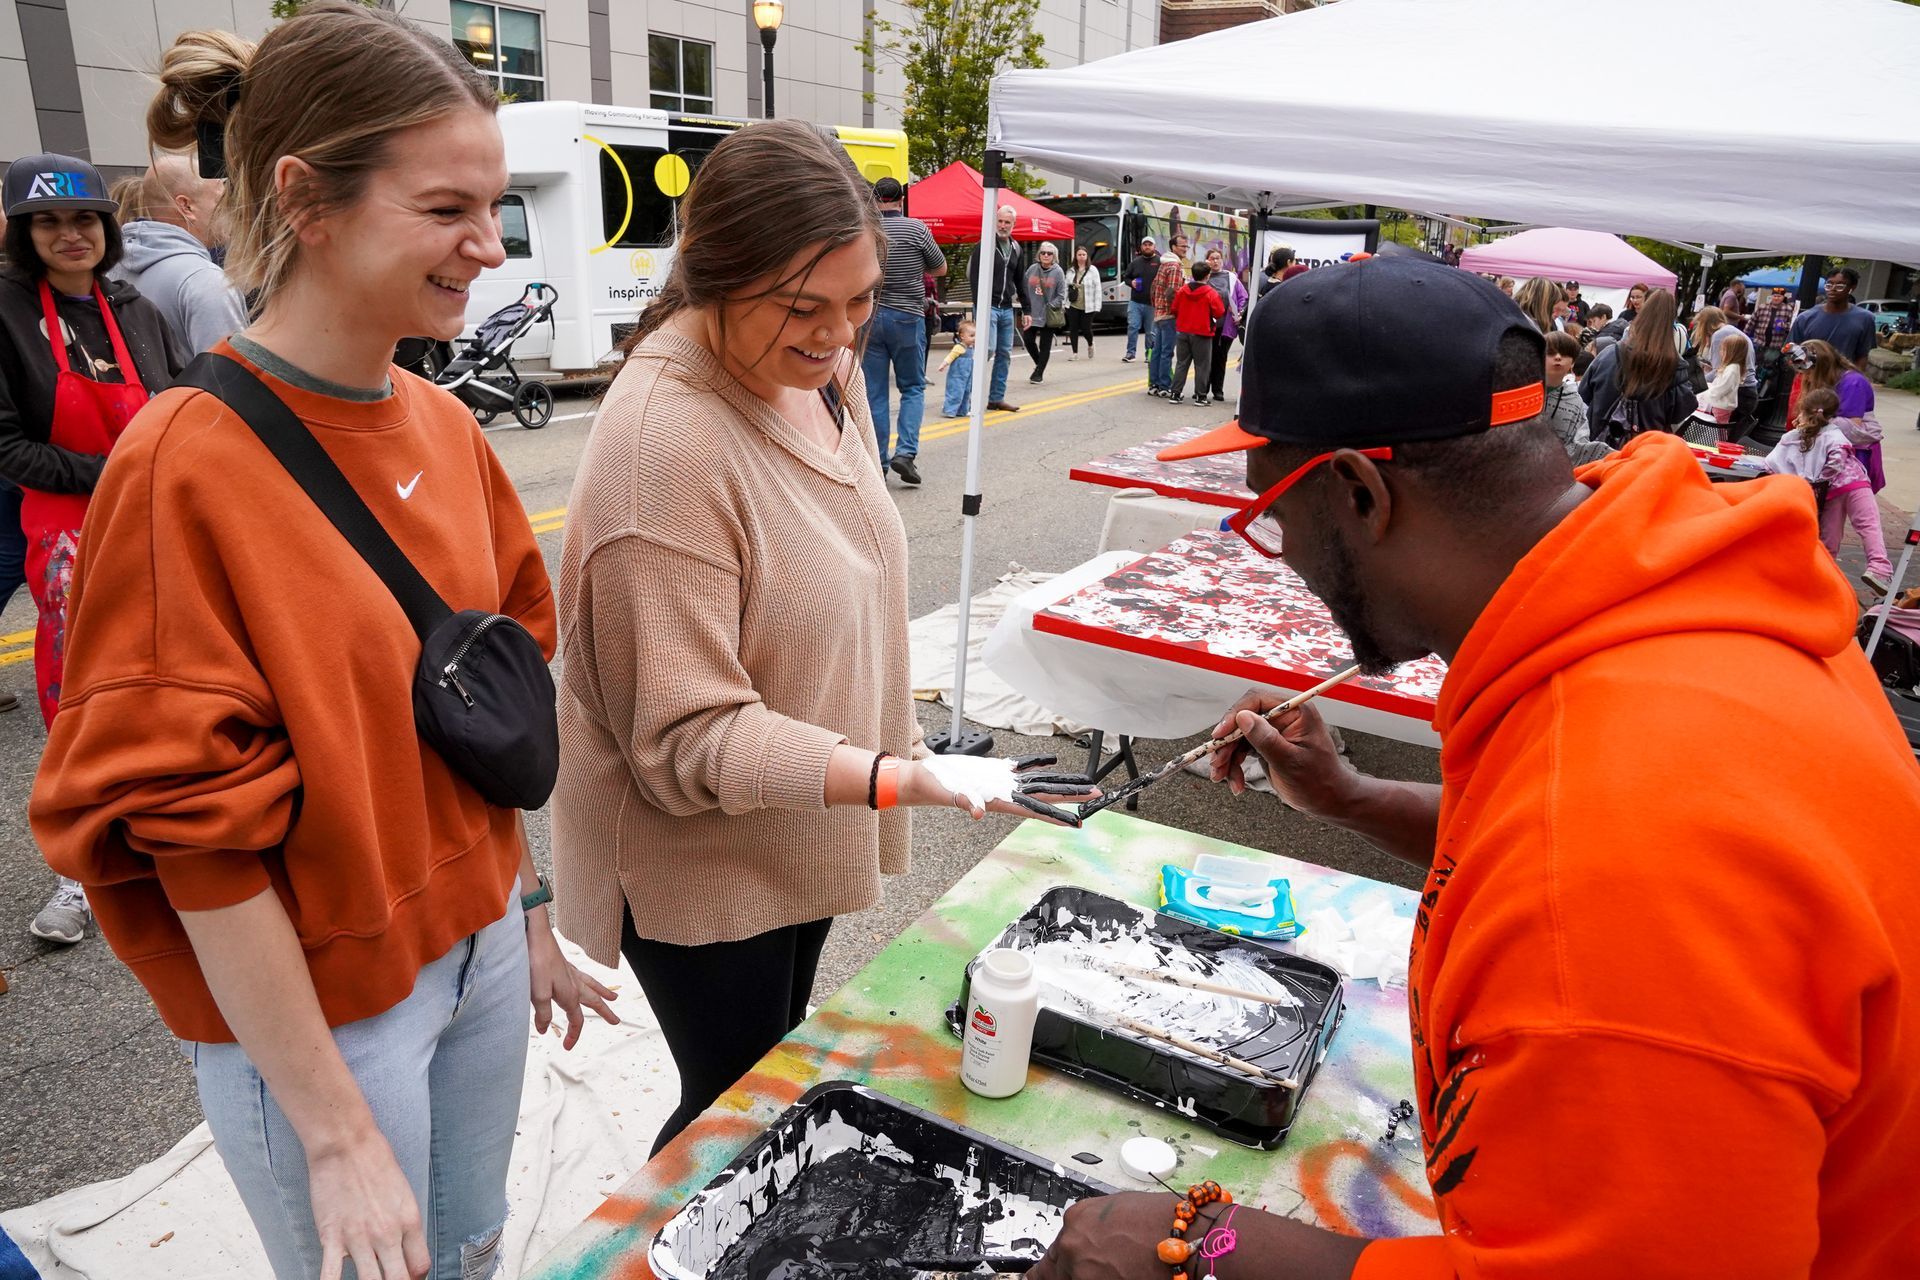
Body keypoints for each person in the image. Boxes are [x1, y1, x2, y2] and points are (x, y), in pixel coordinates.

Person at [1035, 254, 1920, 1280]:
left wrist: (1199, 1249)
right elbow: (1539, 833)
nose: (1281, 551)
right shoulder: (1659, 610)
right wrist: (1357, 796)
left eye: (1271, 518)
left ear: (1359, 492)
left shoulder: (1614, 867)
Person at [30, 9, 624, 1277]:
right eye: (448, 208)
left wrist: (517, 910)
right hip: (325, 1019)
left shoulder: (443, 424)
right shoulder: (183, 465)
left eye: (497, 204)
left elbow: (483, 701)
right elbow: (191, 828)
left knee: (467, 1251)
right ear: (305, 197)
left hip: (477, 968)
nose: (487, 247)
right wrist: (335, 1129)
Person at [550, 120, 1092, 1161]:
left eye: (861, 303)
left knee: (772, 1066)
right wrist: (903, 777)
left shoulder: (813, 368)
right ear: (712, 275)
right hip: (702, 846)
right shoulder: (663, 447)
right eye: (806, 308)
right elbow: (688, 737)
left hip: (806, 804)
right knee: (735, 1102)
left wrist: (892, 762)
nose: (841, 338)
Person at [3, 153, 187, 944]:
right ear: (24, 231)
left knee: (173, 678)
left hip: (154, 519)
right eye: (49, 221)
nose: (70, 234)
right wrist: (114, 470)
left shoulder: (134, 306)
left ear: (107, 229)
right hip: (67, 533)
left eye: (84, 219)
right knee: (80, 694)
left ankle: (174, 839)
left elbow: (181, 400)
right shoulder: (4, 311)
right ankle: (80, 873)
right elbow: (8, 445)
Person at [110, 152, 247, 354]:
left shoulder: (113, 269)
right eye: (221, 198)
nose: (230, 208)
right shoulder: (205, 280)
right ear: (186, 206)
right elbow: (230, 378)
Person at [1761, 387, 1892, 594]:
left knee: (1829, 540)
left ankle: (1820, 579)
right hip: (1855, 484)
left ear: (1803, 410)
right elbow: (1836, 461)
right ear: (1832, 414)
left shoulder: (1794, 437)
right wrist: (1824, 480)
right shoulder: (1835, 433)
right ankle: (1879, 568)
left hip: (1830, 495)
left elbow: (1772, 464)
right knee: (1868, 525)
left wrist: (1817, 486)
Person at [861, 175, 945, 487]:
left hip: (871, 316)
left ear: (874, 199)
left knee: (876, 393)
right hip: (908, 317)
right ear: (901, 198)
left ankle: (879, 461)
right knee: (912, 387)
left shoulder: (867, 230)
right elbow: (940, 268)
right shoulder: (916, 229)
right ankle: (905, 453)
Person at [1793, 339, 1892, 594]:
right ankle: (1821, 581)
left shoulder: (1852, 383)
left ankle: (1878, 569)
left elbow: (1854, 427)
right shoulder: (1828, 392)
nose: (1806, 377)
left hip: (1852, 466)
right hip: (1842, 475)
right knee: (1833, 531)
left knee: (1862, 522)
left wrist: (1811, 427)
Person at [1579, 286, 1698, 444]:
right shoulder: (1674, 366)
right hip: (1647, 452)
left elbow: (1583, 394)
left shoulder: (1610, 354)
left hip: (1601, 446)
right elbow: (1682, 411)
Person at [968, 204, 1024, 412]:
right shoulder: (984, 245)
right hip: (987, 306)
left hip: (1007, 308)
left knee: (1005, 354)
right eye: (999, 221)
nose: (1002, 225)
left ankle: (996, 398)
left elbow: (1020, 279)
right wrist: (978, 307)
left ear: (1013, 225)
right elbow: (974, 278)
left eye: (1007, 222)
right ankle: (969, 396)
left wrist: (1026, 308)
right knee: (987, 349)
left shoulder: (1016, 248)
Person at [1788, 265, 1878, 370]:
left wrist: (1854, 379)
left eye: (1840, 286)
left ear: (1852, 288)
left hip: (1845, 380)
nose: (1833, 289)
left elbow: (1862, 355)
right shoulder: (1805, 318)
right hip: (1811, 380)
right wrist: (1810, 374)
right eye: (1829, 285)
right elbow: (1792, 350)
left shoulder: (1865, 319)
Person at [1544, 329, 1608, 464]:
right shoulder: (1525, 392)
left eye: (1565, 354)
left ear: (1572, 363)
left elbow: (1580, 439)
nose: (1558, 357)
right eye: (1550, 353)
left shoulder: (1574, 400)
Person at [1167, 259, 1224, 406]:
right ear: (1207, 275)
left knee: (1181, 363)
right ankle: (1201, 396)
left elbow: (1174, 309)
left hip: (1183, 330)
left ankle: (1175, 393)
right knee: (1202, 365)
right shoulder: (1210, 293)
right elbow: (1219, 312)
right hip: (1202, 332)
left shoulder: (1182, 291)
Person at [1147, 232, 1190, 397]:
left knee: (1157, 351)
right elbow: (1173, 292)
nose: (1185, 249)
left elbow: (1153, 287)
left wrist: (1156, 306)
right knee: (1166, 352)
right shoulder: (1174, 266)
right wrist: (1176, 311)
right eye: (1182, 246)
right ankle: (1165, 386)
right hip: (1169, 315)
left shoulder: (1163, 263)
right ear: (1173, 247)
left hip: (1159, 313)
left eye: (1186, 246)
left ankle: (1154, 384)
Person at [1203, 247, 1247, 403]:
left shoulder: (1231, 277)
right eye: (1212, 258)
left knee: (1220, 358)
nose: (1215, 261)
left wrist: (1239, 312)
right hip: (1207, 325)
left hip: (1225, 326)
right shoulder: (1203, 277)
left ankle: (1218, 390)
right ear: (1206, 260)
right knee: (1206, 358)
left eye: (1218, 258)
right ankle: (1202, 390)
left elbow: (1243, 297)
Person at [1020, 241, 1066, 384]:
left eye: (1049, 253)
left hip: (1048, 314)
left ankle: (1038, 373)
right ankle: (1040, 364)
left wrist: (1050, 305)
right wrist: (1024, 303)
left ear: (1054, 256)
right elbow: (1023, 287)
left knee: (1045, 345)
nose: (1045, 255)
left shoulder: (1058, 272)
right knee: (1027, 340)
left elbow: (1061, 295)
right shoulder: (1032, 269)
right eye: (1043, 253)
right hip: (1031, 313)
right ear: (1039, 255)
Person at [1697, 329, 1751, 432]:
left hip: (1721, 405)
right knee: (1718, 428)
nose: (1720, 352)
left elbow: (1722, 388)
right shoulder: (1732, 368)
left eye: (1723, 350)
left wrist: (1707, 394)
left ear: (1732, 353)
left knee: (1718, 429)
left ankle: (1719, 444)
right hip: (1720, 404)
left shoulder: (1732, 369)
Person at [1121, 235, 1157, 363]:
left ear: (1154, 247)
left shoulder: (1159, 262)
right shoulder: (1135, 262)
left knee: (1150, 331)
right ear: (1141, 247)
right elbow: (1126, 278)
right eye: (1145, 244)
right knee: (1133, 327)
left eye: (1149, 244)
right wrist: (1132, 283)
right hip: (1135, 301)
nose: (1147, 247)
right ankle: (1130, 353)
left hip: (1152, 303)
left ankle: (1150, 353)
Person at [1065, 245, 1098, 360]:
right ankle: (1075, 353)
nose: (1081, 257)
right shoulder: (1071, 270)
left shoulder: (1093, 270)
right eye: (1079, 254)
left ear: (1087, 256)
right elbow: (1066, 287)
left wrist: (1097, 306)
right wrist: (1065, 303)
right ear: (1075, 256)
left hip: (1088, 305)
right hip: (1073, 303)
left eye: (1083, 254)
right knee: (1073, 328)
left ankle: (1090, 344)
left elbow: (1097, 288)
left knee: (1086, 328)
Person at [941, 316, 975, 418]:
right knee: (955, 390)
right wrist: (944, 364)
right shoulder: (960, 347)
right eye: (972, 335)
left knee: (966, 391)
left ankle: (963, 410)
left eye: (975, 335)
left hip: (968, 374)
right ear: (962, 336)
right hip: (957, 374)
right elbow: (950, 356)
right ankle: (950, 410)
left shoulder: (971, 348)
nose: (974, 338)